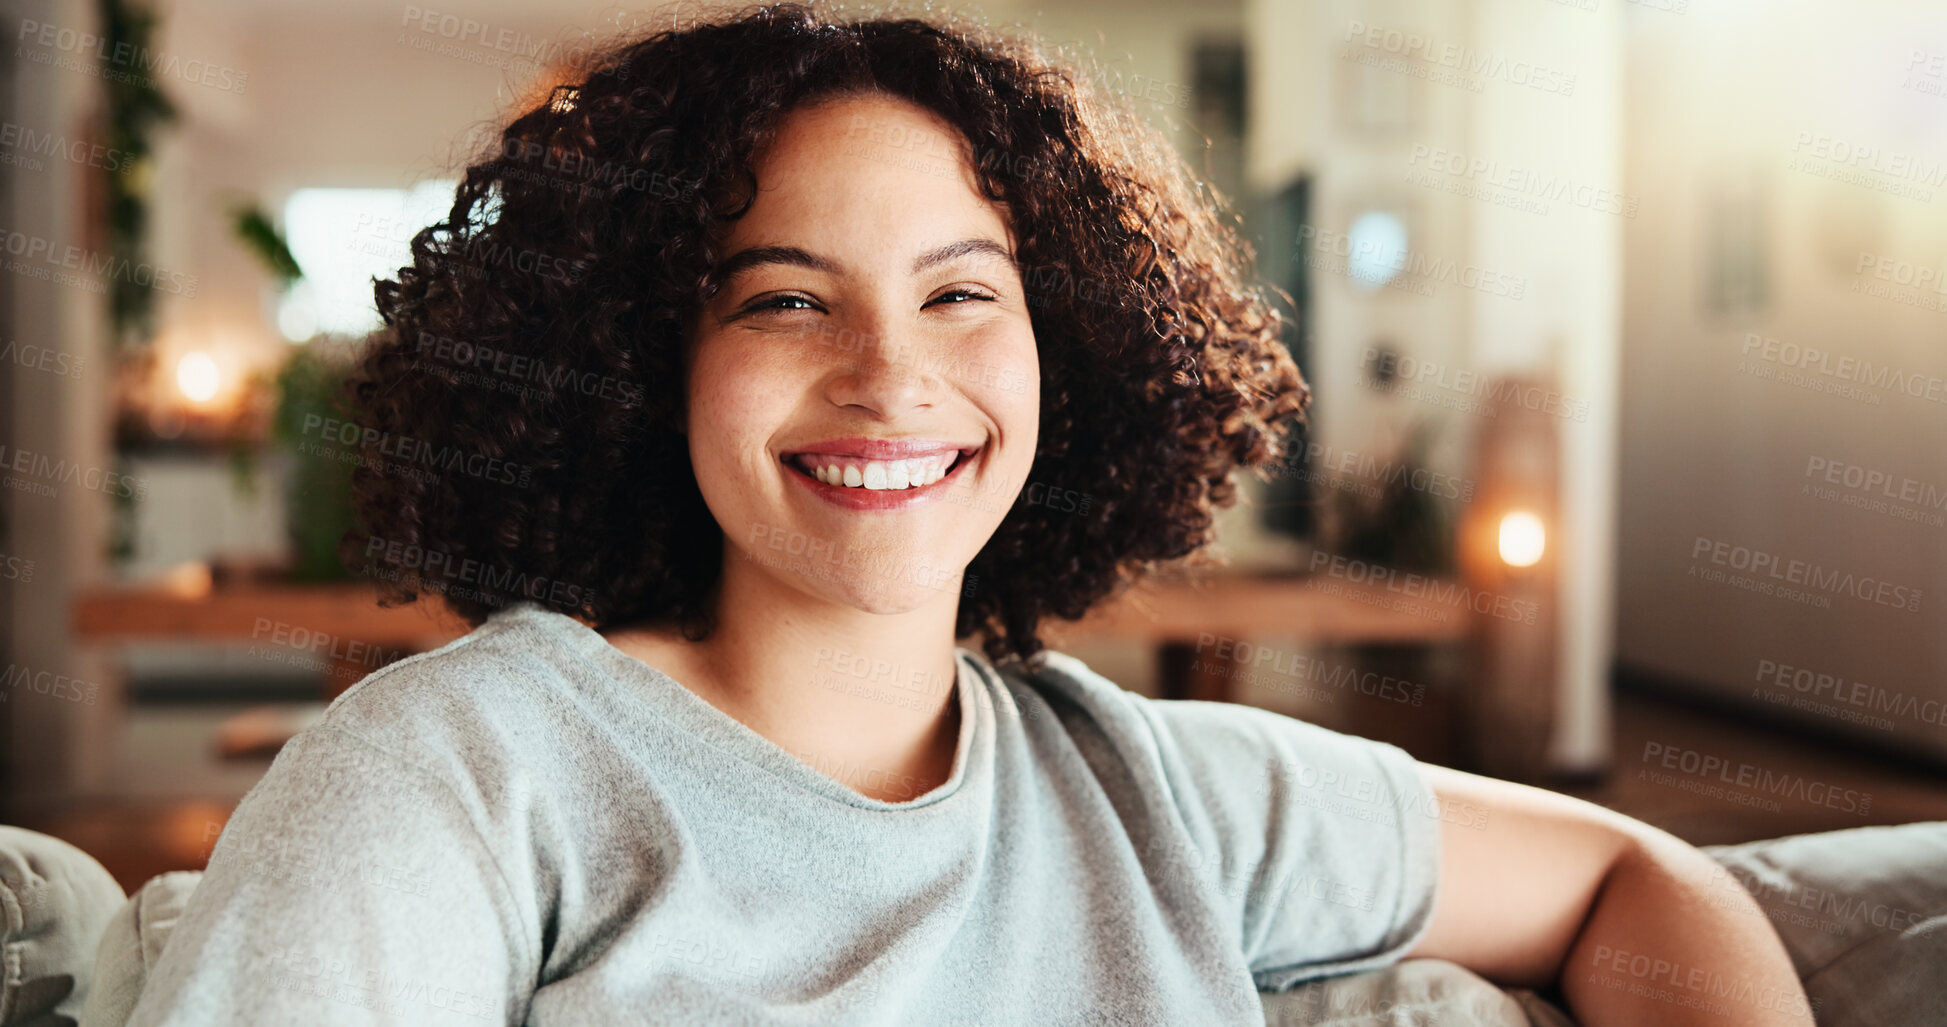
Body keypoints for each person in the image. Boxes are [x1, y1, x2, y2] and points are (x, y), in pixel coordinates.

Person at [125, 4, 1814, 1024]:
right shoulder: (463, 774)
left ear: (1062, 351)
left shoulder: (1159, 794)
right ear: (646, 364)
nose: (889, 375)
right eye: (786, 300)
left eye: (959, 296)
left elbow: (1632, 880)